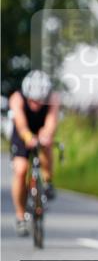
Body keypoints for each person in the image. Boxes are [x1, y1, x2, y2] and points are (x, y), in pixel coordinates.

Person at [9, 70, 59, 237]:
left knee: (47, 145)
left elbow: (51, 122)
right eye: (33, 101)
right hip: (22, 134)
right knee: (21, 170)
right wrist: (27, 136)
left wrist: (46, 135)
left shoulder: (52, 99)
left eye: (40, 101)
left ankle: (47, 181)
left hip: (40, 131)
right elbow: (21, 123)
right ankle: (20, 216)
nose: (36, 105)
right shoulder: (17, 98)